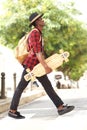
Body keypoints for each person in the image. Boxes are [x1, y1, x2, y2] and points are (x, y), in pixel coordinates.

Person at [8, 12, 74, 119]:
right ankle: (12, 110)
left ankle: (60, 107)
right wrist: (46, 66)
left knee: (47, 86)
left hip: (36, 66)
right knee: (21, 87)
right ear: (37, 22)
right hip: (32, 66)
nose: (43, 20)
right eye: (41, 19)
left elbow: (39, 52)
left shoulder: (38, 32)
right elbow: (38, 52)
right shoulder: (35, 33)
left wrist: (43, 65)